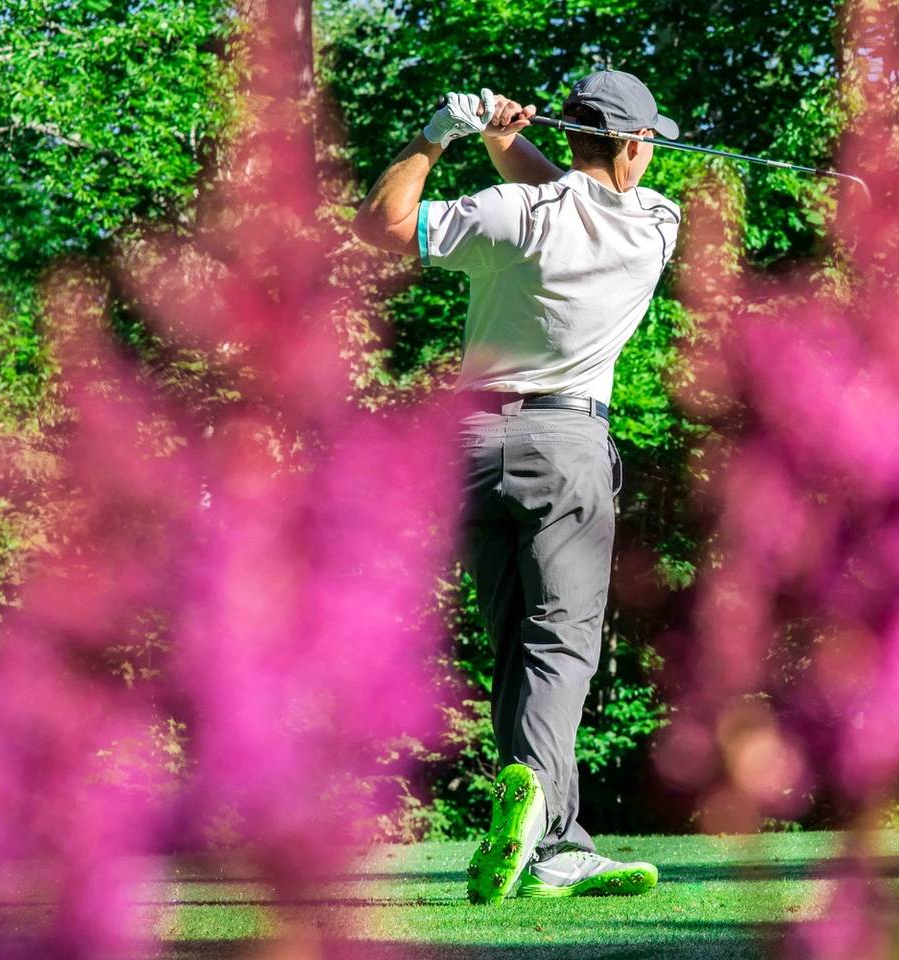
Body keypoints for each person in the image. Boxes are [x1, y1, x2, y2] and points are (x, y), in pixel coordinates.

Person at [352, 70, 681, 903]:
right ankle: (539, 798)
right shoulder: (656, 225)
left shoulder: (510, 215)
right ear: (637, 146)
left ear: (570, 135)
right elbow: (579, 198)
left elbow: (381, 225)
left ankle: (556, 849)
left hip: (471, 447)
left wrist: (442, 135)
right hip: (567, 444)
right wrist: (506, 143)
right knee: (561, 643)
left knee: (514, 651)